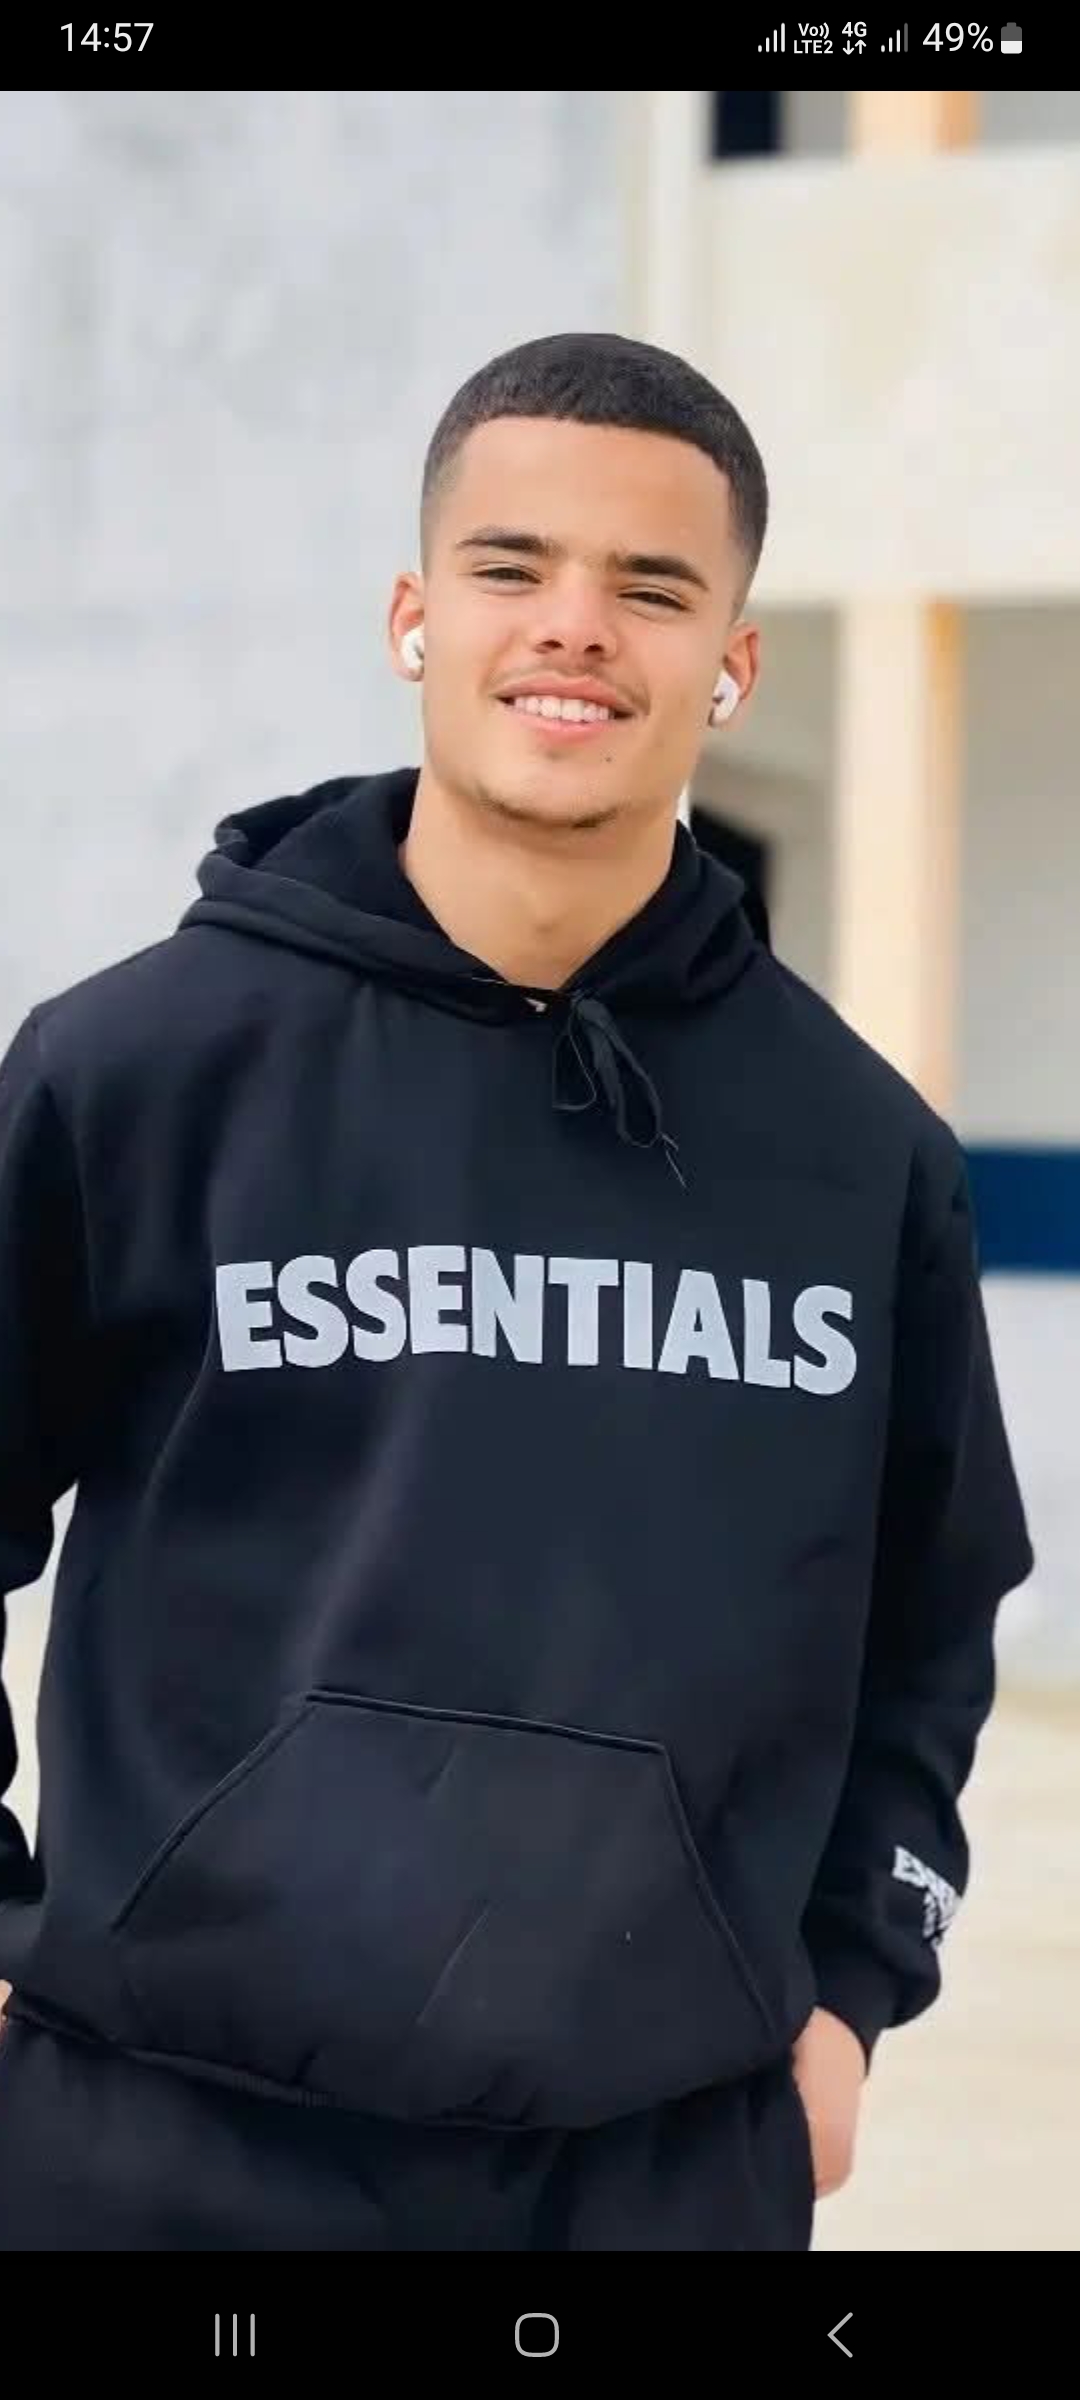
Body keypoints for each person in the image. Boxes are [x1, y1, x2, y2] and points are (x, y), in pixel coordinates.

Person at [0, 330, 1033, 2253]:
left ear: (733, 663)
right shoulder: (133, 1073)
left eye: (651, 587)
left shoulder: (858, 1151)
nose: (576, 627)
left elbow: (932, 1612)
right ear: (415, 617)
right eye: (512, 566)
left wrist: (850, 1998)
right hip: (154, 2145)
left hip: (657, 2172)